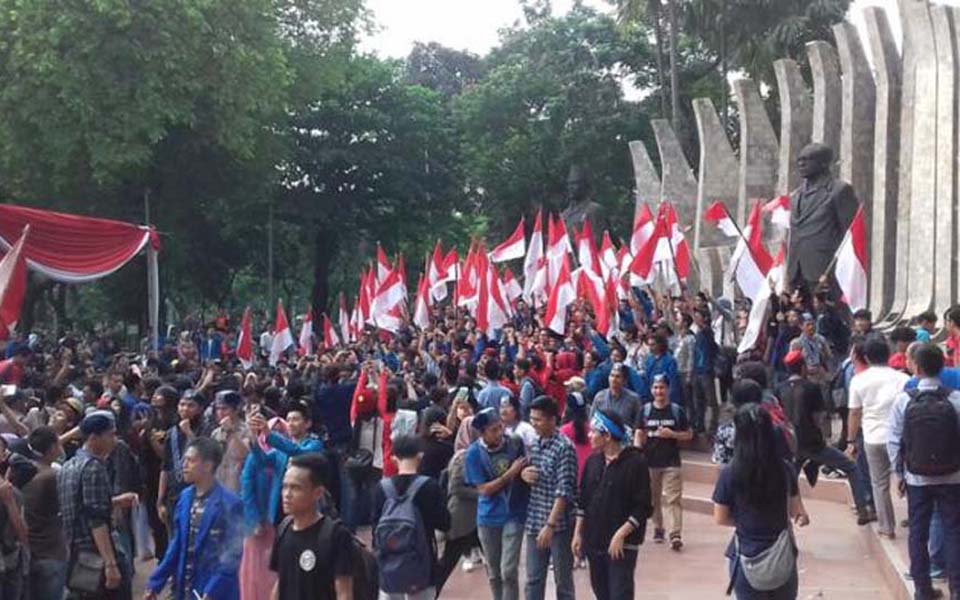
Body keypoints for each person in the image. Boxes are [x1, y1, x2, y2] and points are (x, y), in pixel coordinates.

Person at [713, 404, 811, 600]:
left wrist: (745, 519)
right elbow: (797, 512)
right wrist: (799, 518)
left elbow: (720, 517)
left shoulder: (730, 473)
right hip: (782, 558)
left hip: (745, 560)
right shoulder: (784, 470)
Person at [887, 344, 960, 599]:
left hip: (916, 477)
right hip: (953, 476)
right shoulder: (956, 399)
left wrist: (899, 473)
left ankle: (922, 589)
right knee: (953, 530)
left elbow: (894, 440)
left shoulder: (903, 400)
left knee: (918, 532)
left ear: (915, 367)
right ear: (943, 367)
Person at [777, 350, 875, 525]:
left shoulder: (780, 388)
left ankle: (781, 514)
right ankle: (863, 509)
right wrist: (823, 438)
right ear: (802, 367)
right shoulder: (811, 387)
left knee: (788, 479)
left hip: (791, 443)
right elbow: (819, 418)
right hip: (812, 442)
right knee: (851, 467)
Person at [145, 436, 244, 600]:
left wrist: (212, 590)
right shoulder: (184, 497)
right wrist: (155, 584)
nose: (184, 466)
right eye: (185, 460)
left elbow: (232, 555)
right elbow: (176, 545)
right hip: (186, 588)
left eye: (191, 461)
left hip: (215, 591)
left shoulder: (231, 504)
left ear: (208, 465)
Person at [573, 409, 652, 600]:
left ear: (607, 436)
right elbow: (583, 500)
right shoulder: (593, 462)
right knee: (601, 593)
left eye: (594, 431)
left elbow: (643, 507)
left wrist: (620, 534)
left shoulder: (636, 463)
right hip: (594, 542)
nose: (589, 435)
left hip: (622, 546)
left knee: (620, 593)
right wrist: (578, 533)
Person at [372, 435, 451, 600]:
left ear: (394, 459)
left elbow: (375, 529)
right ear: (420, 455)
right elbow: (445, 523)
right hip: (422, 564)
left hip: (388, 567)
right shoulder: (429, 486)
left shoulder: (381, 488)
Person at [846, 335, 909, 539]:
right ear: (889, 355)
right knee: (909, 479)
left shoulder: (859, 380)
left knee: (879, 484)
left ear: (866, 357)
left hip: (873, 437)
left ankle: (887, 527)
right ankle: (915, 520)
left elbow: (854, 413)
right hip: (900, 437)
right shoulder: (903, 379)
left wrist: (850, 440)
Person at [58, 411, 125, 599]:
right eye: (110, 434)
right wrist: (110, 563)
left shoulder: (68, 466)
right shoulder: (93, 467)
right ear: (94, 438)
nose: (114, 439)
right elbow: (96, 519)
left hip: (75, 556)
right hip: (95, 558)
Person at [270, 453, 355, 600]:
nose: (287, 494)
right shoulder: (283, 529)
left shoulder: (336, 535)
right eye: (284, 487)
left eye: (295, 488)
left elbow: (344, 593)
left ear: (317, 493)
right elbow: (280, 582)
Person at [464, 407, 529, 600]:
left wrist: (524, 473)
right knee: (493, 572)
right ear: (482, 433)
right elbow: (483, 489)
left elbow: (526, 467)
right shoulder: (474, 454)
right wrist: (510, 474)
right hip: (488, 517)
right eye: (493, 430)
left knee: (508, 570)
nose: (499, 433)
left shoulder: (514, 443)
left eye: (500, 427)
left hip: (514, 514)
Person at [520, 396, 577, 600]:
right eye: (532, 419)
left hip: (558, 526)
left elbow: (564, 491)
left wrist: (550, 525)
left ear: (553, 419)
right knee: (533, 579)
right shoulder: (535, 443)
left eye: (538, 419)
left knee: (563, 580)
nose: (534, 423)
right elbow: (530, 473)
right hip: (534, 521)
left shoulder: (565, 448)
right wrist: (523, 474)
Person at [636, 374, 693, 550]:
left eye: (662, 387)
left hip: (671, 462)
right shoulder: (644, 411)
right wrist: (637, 450)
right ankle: (658, 527)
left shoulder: (677, 411)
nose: (658, 391)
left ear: (668, 389)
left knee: (673, 499)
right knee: (654, 499)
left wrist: (673, 434)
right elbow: (639, 432)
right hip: (650, 461)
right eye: (656, 387)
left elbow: (689, 434)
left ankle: (675, 534)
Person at [22, 426, 68, 600]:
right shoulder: (52, 476)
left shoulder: (24, 471)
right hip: (51, 553)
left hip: (28, 554)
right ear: (52, 448)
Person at [210, 389, 250, 493]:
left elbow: (243, 454)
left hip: (237, 485)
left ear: (236, 410)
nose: (220, 413)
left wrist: (231, 431)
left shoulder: (247, 430)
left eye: (225, 409)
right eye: (218, 409)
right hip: (218, 484)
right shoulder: (216, 433)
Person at [591, 364, 643, 433]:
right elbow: (592, 421)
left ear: (624, 380)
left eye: (618, 377)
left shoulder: (634, 399)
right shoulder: (600, 397)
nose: (613, 380)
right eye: (612, 376)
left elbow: (637, 425)